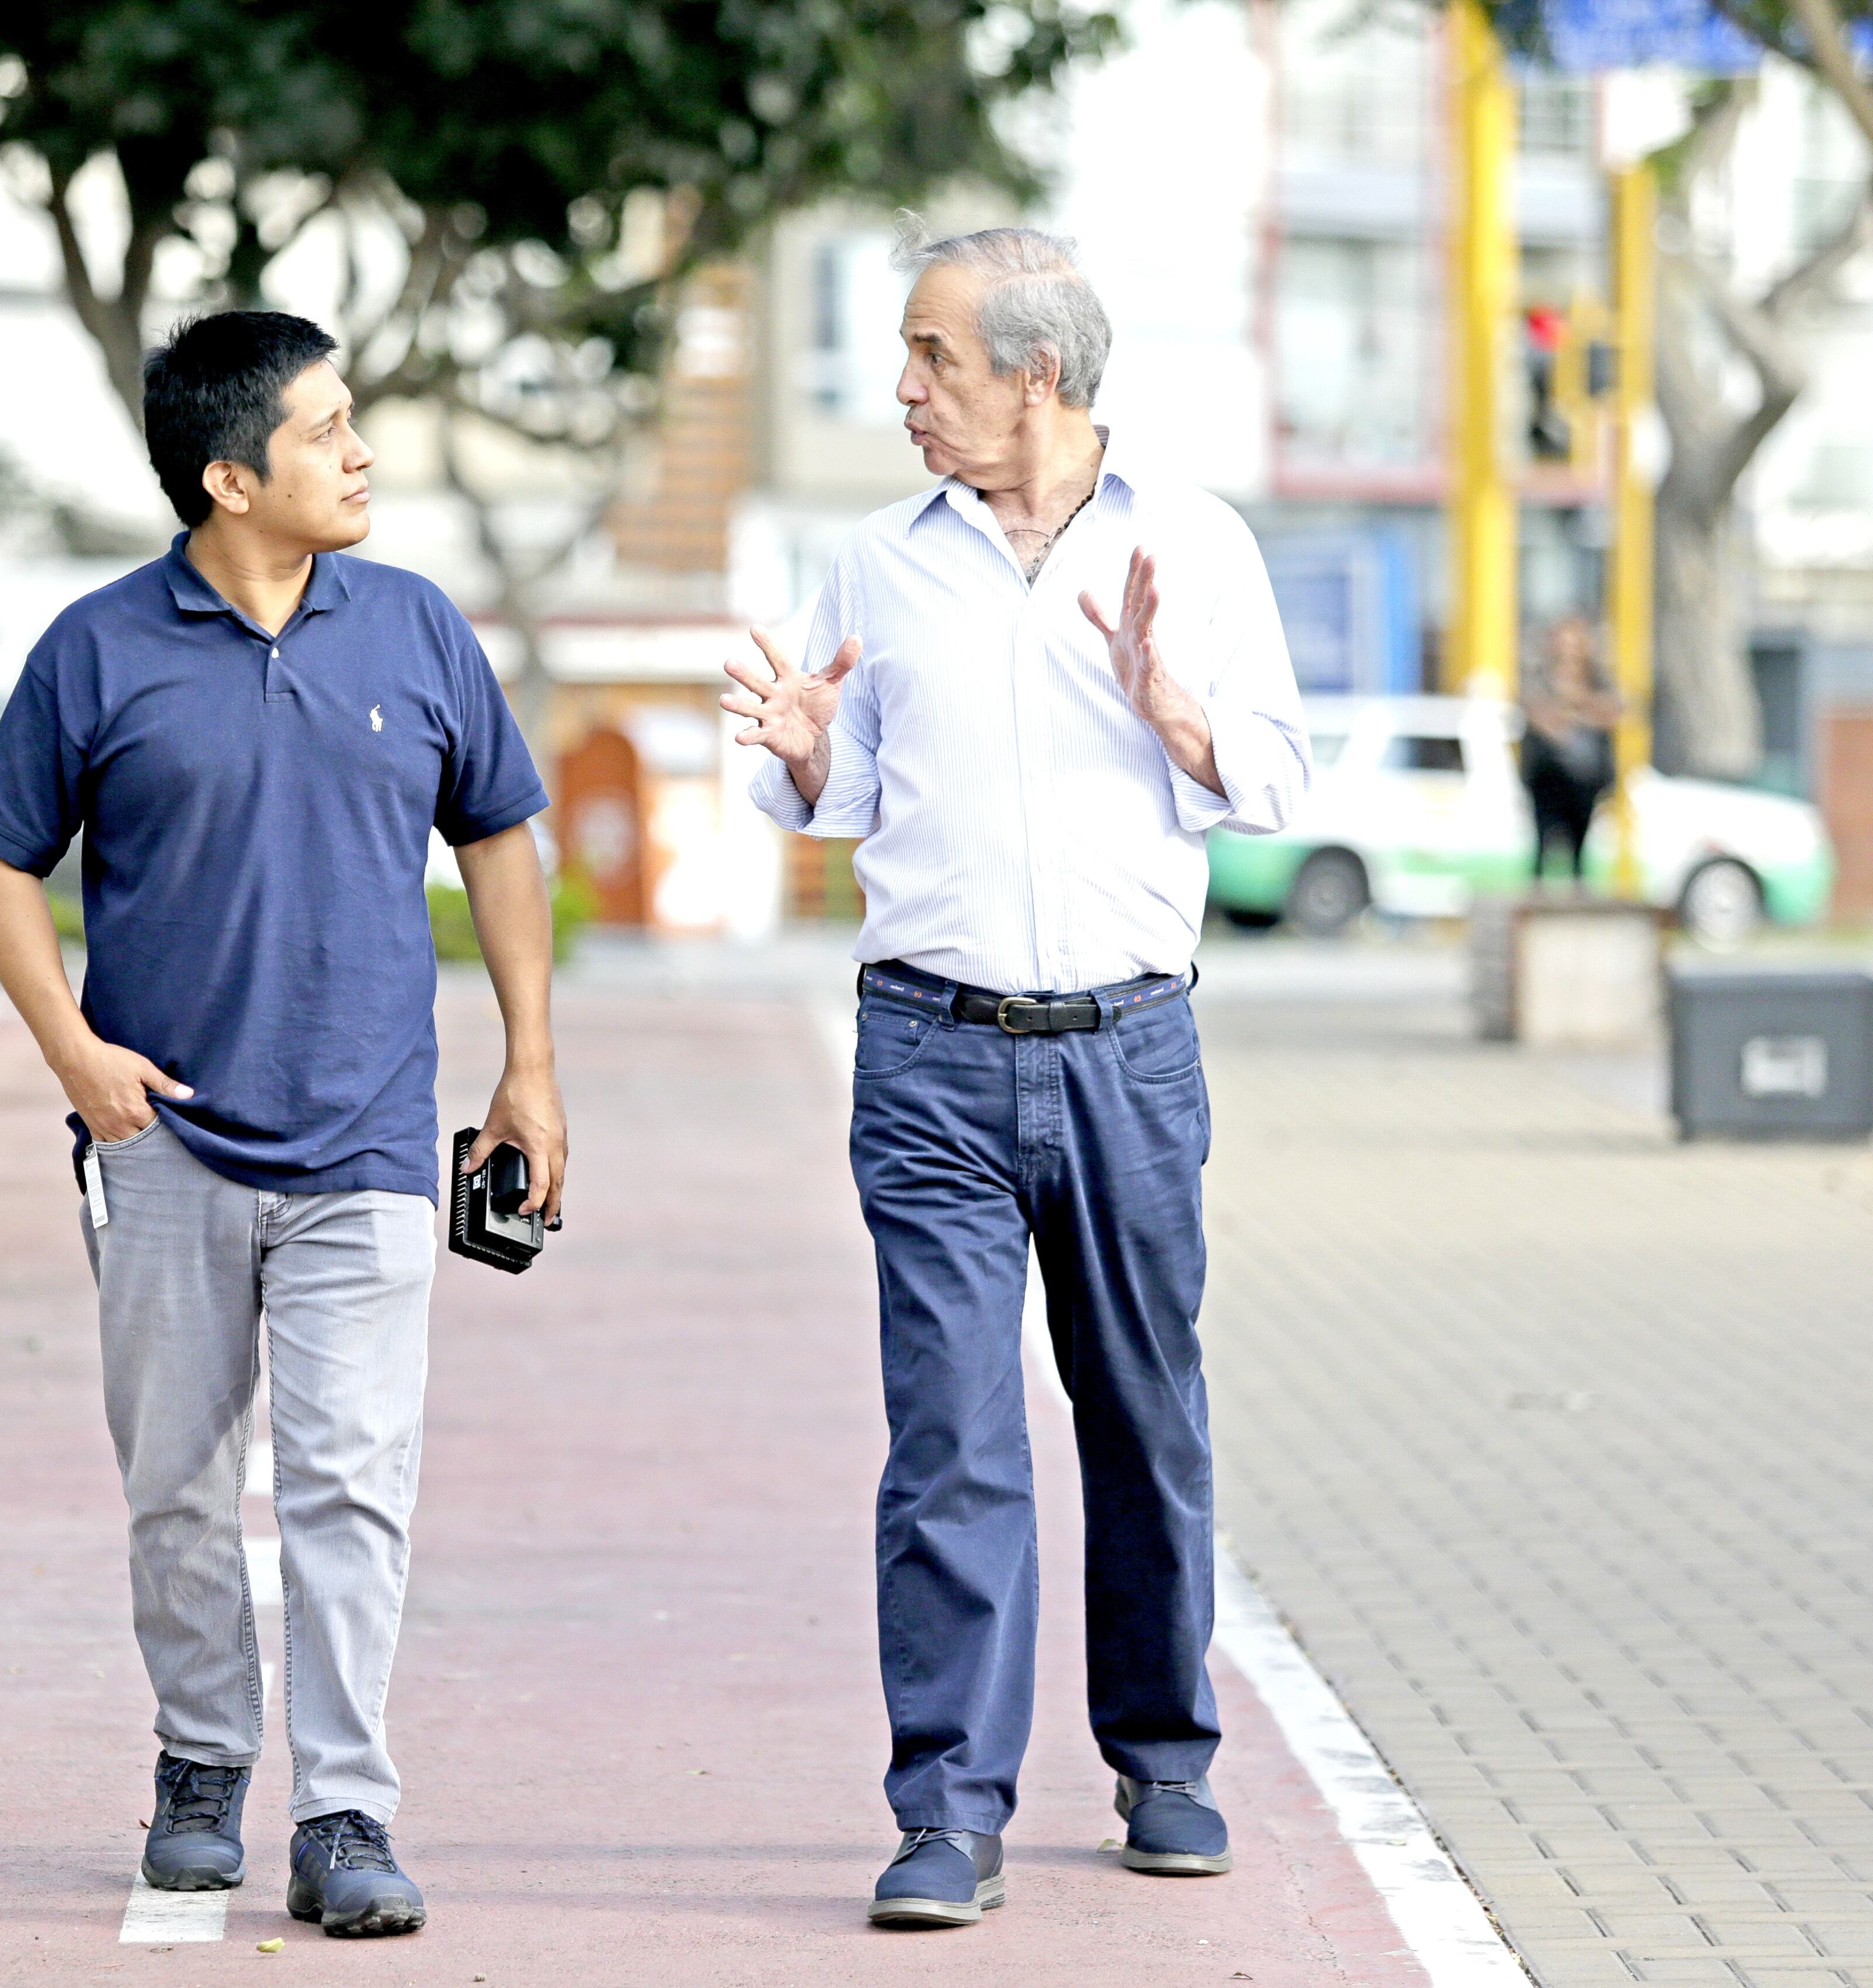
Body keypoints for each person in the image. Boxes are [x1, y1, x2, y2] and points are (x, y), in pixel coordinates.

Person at [720, 219, 1307, 1930]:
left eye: (929, 357)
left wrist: (1171, 711)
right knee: (951, 1438)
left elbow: (1270, 777)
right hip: (926, 1053)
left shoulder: (1191, 545)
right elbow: (825, 792)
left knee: (1140, 1414)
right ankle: (946, 1808)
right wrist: (805, 753)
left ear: (1033, 373)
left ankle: (1162, 1759)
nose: (902, 389)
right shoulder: (876, 560)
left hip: (1128, 1047)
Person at [0, 311, 565, 1940]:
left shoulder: (419, 632)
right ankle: (205, 1759)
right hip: (164, 1144)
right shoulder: (97, 647)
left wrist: (530, 1061)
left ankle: (349, 1804)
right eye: (328, 430)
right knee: (176, 1483)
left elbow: (502, 833)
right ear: (230, 477)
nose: (362, 454)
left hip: (368, 1137)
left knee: (351, 1483)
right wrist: (74, 1053)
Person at [1520, 614, 1622, 888]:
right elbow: (1541, 717)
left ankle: (1578, 900)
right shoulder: (1541, 673)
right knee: (1544, 844)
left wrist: (1576, 705)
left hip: (1586, 777)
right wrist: (1576, 710)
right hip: (1547, 776)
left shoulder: (1597, 676)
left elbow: (1613, 710)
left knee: (1581, 847)